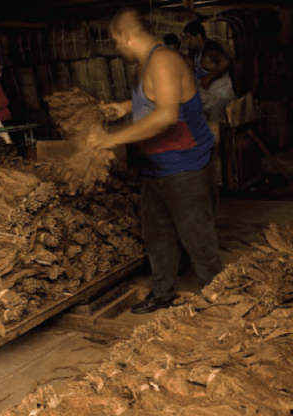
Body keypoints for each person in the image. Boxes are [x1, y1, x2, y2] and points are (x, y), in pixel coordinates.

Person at [86, 7, 222, 315]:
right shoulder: (146, 64)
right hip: (156, 167)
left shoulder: (162, 61)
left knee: (196, 237)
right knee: (157, 235)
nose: (117, 48)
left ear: (126, 36)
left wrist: (113, 139)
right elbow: (153, 100)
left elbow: (166, 115)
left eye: (116, 41)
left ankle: (218, 299)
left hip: (185, 166)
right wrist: (124, 107)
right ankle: (162, 293)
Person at [182, 20, 234, 122]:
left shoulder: (210, 49)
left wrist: (208, 78)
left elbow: (225, 62)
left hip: (220, 95)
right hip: (208, 95)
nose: (188, 41)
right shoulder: (196, 52)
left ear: (199, 36)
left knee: (214, 120)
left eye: (190, 38)